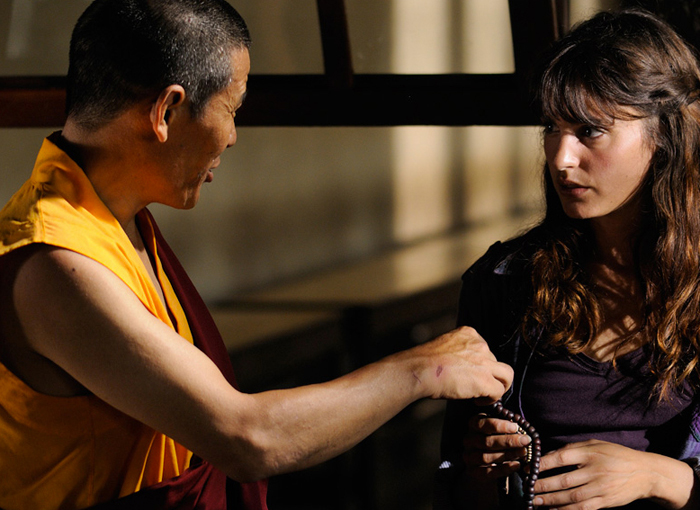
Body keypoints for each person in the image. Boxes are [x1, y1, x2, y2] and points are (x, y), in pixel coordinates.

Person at [0, 1, 514, 509]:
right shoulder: (52, 263)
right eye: (232, 109)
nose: (232, 137)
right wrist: (424, 369)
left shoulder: (114, 217)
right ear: (167, 112)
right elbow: (247, 438)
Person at [436, 8, 700, 510]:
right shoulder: (505, 281)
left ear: (664, 135)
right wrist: (483, 472)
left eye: (590, 130)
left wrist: (663, 477)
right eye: (551, 128)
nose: (560, 158)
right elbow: (456, 490)